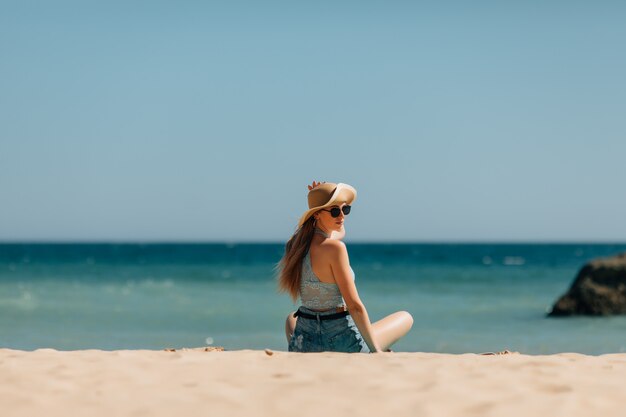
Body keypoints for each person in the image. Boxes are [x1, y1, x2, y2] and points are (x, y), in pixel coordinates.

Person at [277, 180, 414, 353]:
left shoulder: (295, 245)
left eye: (345, 209)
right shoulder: (335, 249)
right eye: (335, 211)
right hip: (341, 341)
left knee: (291, 318)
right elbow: (355, 307)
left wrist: (317, 200)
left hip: (305, 340)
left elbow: (339, 231)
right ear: (317, 214)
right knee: (405, 317)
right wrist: (376, 351)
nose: (342, 216)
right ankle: (377, 348)